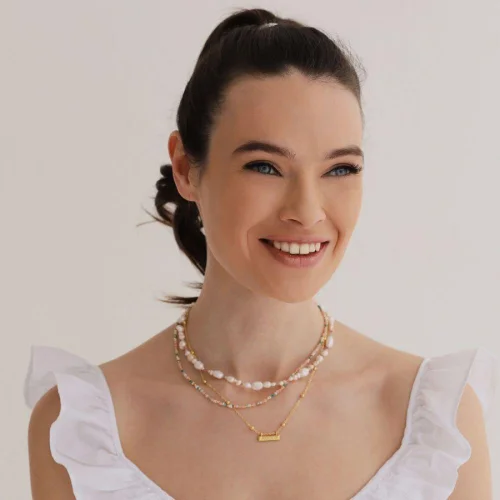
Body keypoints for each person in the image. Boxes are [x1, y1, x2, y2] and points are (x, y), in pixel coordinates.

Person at [25, 7, 498, 500]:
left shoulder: (435, 424)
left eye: (340, 170)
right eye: (265, 166)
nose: (307, 212)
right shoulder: (85, 431)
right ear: (186, 168)